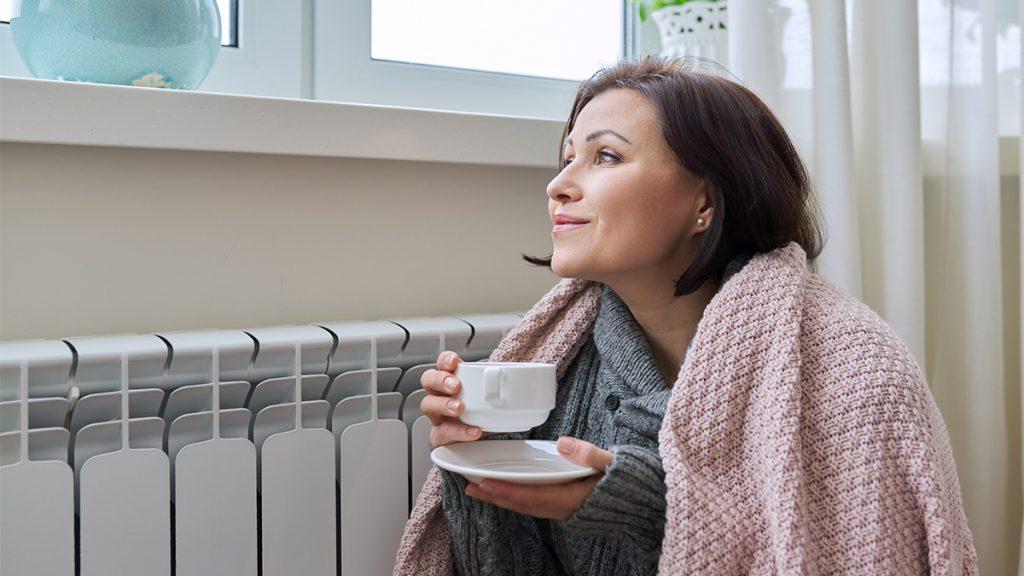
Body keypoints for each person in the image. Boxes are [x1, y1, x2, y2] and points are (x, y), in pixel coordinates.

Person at [394, 55, 978, 575]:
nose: (558, 185)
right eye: (567, 158)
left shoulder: (854, 372)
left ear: (704, 202)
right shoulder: (562, 366)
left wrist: (645, 505)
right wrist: (475, 464)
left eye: (605, 156)